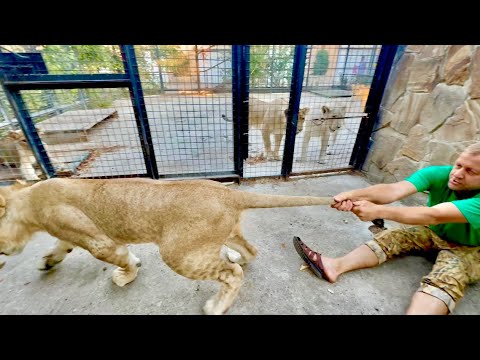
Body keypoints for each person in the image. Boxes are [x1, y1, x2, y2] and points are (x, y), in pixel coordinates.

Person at [293, 142, 480, 315]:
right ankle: (334, 266)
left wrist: (378, 211)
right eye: (458, 165)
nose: (458, 173)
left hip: (469, 249)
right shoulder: (441, 173)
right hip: (434, 232)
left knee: (447, 278)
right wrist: (352, 195)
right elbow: (394, 190)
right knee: (394, 236)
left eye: (471, 171)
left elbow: (434, 215)